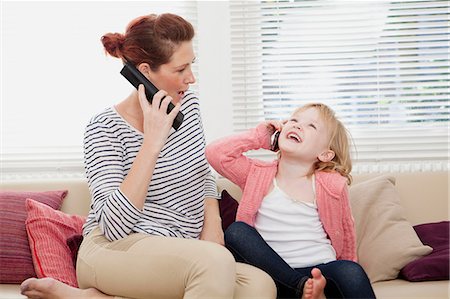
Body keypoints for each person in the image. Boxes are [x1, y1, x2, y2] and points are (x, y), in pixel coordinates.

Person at [20, 13, 276, 299]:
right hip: (111, 250)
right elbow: (114, 226)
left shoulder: (186, 104)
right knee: (213, 263)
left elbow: (201, 172)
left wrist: (213, 227)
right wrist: (152, 143)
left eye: (192, 64)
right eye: (181, 69)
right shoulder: (104, 129)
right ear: (145, 71)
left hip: (180, 251)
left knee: (259, 285)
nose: (190, 78)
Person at [206, 103, 376, 299]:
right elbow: (215, 153)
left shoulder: (331, 185)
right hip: (275, 274)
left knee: (351, 271)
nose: (297, 126)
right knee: (237, 232)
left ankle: (309, 290)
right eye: (293, 120)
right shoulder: (255, 174)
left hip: (319, 271)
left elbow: (346, 233)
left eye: (311, 126)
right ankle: (299, 288)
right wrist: (262, 137)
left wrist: (347, 268)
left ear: (325, 154)